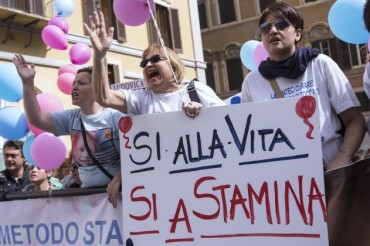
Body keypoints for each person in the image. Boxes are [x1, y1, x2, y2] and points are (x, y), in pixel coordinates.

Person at [241, 2, 365, 171]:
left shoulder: (321, 64)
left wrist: (342, 158)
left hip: (332, 175)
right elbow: (247, 138)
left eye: (281, 24)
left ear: (298, 34)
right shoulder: (251, 82)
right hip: (285, 183)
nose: (273, 31)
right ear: (261, 38)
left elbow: (355, 120)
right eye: (265, 27)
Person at [13, 55, 124, 207]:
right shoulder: (72, 117)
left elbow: (134, 156)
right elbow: (35, 119)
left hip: (118, 197)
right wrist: (27, 83)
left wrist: (118, 179)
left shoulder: (116, 117)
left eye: (81, 83)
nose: (74, 87)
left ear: (97, 87)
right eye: (73, 83)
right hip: (88, 199)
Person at [84, 11, 226, 119]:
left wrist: (203, 113)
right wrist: (100, 56)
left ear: (174, 65)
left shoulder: (195, 90)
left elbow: (228, 117)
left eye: (156, 59)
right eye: (144, 62)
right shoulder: (140, 98)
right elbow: (104, 97)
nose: (148, 65)